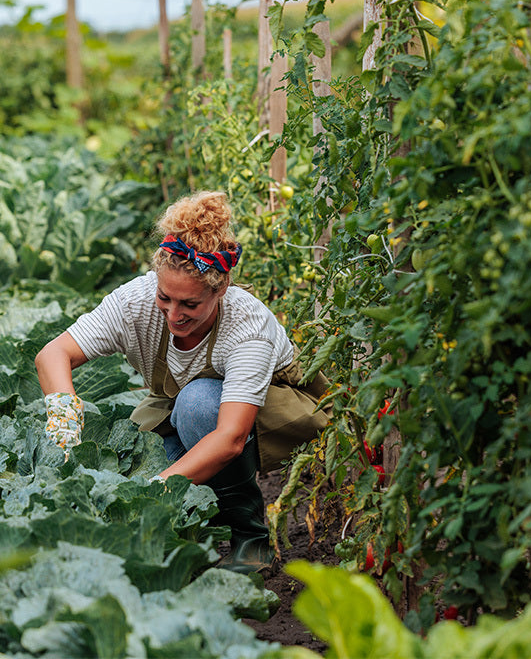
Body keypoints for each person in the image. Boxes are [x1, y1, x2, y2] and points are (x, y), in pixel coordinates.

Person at [34, 191, 328, 573]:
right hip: (177, 408)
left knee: (198, 405)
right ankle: (198, 528)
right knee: (136, 462)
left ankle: (250, 533)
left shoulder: (246, 328)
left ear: (220, 290)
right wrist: (64, 422)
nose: (174, 313)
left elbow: (230, 437)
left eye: (190, 305)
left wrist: (158, 485)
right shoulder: (135, 302)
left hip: (265, 414)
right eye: (165, 297)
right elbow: (53, 355)